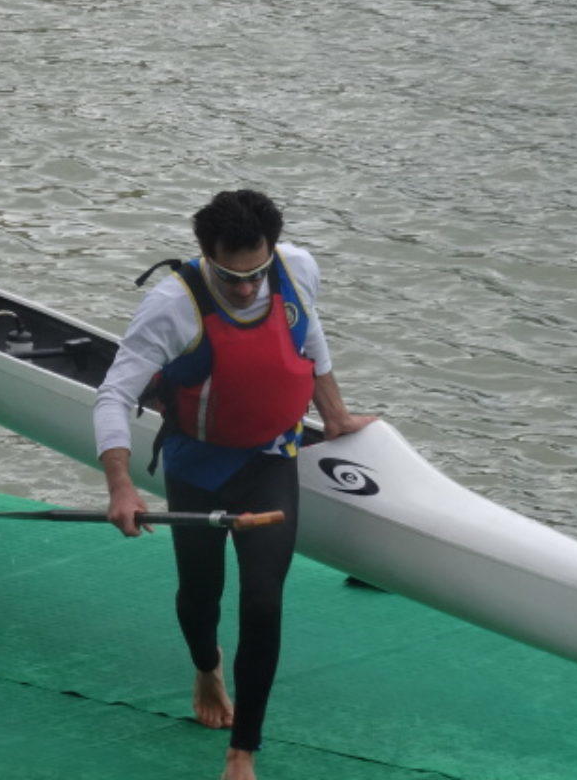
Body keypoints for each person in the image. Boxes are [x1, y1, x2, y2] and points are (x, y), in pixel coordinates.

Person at [94, 190, 374, 780]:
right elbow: (115, 394)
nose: (247, 288)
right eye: (230, 277)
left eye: (256, 274)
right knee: (201, 595)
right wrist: (121, 486)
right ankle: (204, 665)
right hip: (197, 465)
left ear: (271, 251)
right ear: (203, 255)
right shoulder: (171, 305)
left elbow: (307, 335)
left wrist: (339, 416)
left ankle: (243, 750)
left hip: (271, 458)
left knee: (263, 600)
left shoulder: (295, 268)